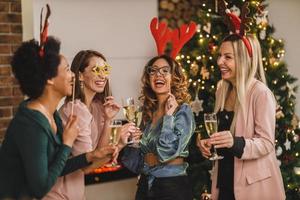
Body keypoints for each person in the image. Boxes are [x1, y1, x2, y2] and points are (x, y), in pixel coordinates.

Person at [0, 37, 117, 199]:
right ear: (50, 79)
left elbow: (55, 166)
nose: (73, 76)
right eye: (68, 70)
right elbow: (40, 188)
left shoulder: (51, 114)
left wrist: (90, 156)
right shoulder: (31, 124)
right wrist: (67, 144)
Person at [197, 34, 285, 199]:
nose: (219, 62)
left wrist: (234, 142)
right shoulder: (222, 89)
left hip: (252, 187)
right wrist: (210, 143)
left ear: (244, 60)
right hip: (224, 182)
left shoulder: (261, 93)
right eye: (220, 56)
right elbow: (223, 133)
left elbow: (266, 143)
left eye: (228, 57)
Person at [44, 50, 134, 199]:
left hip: (76, 192)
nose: (102, 75)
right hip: (57, 193)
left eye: (105, 70)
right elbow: (87, 166)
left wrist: (108, 120)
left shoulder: (98, 107)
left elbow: (99, 151)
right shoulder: (75, 110)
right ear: (79, 75)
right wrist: (119, 145)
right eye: (96, 70)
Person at [121, 54, 195, 200]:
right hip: (145, 184)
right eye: (153, 71)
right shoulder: (146, 113)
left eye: (164, 70)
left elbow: (167, 153)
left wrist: (168, 117)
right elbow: (133, 164)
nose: (158, 74)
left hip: (172, 186)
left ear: (174, 77)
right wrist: (133, 143)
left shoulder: (183, 111)